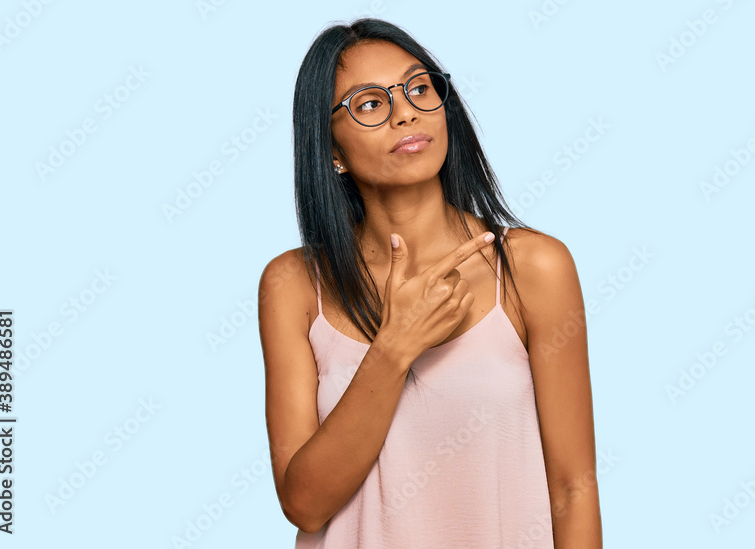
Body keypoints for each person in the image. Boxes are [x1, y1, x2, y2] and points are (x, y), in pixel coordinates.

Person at [257, 17, 602, 548]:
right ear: (331, 152)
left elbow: (572, 490)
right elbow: (304, 504)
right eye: (370, 103)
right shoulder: (296, 285)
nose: (406, 111)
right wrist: (394, 347)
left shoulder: (533, 268)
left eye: (419, 88)